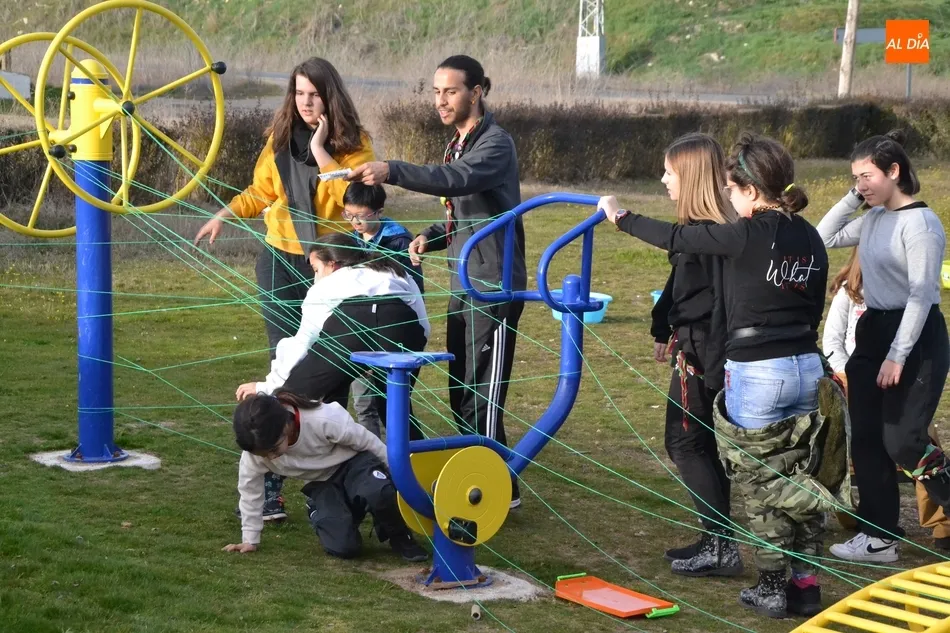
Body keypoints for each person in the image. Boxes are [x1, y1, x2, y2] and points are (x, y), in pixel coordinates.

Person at [600, 132, 841, 619]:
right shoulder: (809, 234)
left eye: (732, 190)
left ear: (752, 190)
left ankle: (772, 585)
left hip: (761, 370)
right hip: (806, 365)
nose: (729, 198)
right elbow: (815, 303)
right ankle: (805, 585)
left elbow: (675, 236)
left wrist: (619, 216)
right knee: (801, 475)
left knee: (760, 481)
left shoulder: (744, 233)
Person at [194, 57, 374, 521]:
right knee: (285, 364)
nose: (306, 102)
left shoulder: (355, 146)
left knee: (328, 369)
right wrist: (225, 215)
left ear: (331, 97)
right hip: (279, 261)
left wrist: (319, 149)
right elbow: (260, 193)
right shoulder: (276, 141)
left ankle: (336, 471)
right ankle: (271, 478)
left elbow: (349, 203)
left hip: (331, 266)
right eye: (299, 94)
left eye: (315, 94)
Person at [346, 55, 526, 508]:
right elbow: (464, 213)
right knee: (461, 392)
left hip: (494, 286)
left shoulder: (494, 144)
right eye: (435, 92)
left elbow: (459, 181)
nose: (440, 101)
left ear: (477, 91)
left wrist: (396, 170)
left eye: (450, 91)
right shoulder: (456, 144)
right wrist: (432, 235)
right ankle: (483, 478)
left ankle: (500, 490)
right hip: (465, 282)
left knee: (483, 395)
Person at [818, 130, 950, 564]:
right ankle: (880, 535)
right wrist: (854, 197)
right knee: (867, 439)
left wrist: (898, 355)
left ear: (895, 171)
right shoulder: (873, 218)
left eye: (868, 176)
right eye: (855, 177)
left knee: (904, 441)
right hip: (873, 330)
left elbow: (920, 295)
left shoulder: (922, 224)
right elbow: (823, 236)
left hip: (915, 336)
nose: (861, 184)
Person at [646, 133, 739, 577]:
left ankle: (720, 544)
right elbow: (678, 287)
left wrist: (704, 359)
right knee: (697, 443)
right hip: (693, 346)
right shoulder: (697, 238)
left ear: (692, 177)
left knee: (686, 442)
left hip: (703, 355)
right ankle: (716, 540)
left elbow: (715, 305)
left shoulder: (711, 238)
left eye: (670, 172)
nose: (664, 179)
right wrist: (662, 325)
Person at [236, 233, 430, 444]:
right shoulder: (394, 269)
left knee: (293, 395)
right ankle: (424, 466)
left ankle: (277, 458)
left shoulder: (325, 287)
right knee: (394, 408)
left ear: (334, 264)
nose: (315, 278)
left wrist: (267, 386)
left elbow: (302, 345)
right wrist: (414, 351)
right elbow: (422, 320)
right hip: (404, 327)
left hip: (355, 321)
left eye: (316, 270)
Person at [823, 248, 950, 550]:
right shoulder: (849, 293)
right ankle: (869, 523)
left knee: (913, 441)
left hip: (902, 376)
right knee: (859, 444)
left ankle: (941, 523)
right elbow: (832, 341)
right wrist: (846, 377)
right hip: (859, 378)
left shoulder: (906, 292)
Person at [223, 389, 428, 562]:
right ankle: (320, 510)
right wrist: (250, 539)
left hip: (354, 464)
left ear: (286, 426)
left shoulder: (323, 419)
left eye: (274, 450)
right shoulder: (256, 453)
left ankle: (400, 537)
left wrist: (403, 479)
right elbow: (249, 492)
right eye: (264, 454)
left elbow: (371, 443)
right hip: (321, 483)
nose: (270, 457)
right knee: (344, 548)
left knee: (379, 492)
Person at [343, 182, 424, 438]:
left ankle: (416, 462)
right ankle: (375, 467)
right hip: (360, 332)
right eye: (349, 214)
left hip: (392, 334)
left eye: (361, 216)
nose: (355, 221)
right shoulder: (351, 241)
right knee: (363, 404)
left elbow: (411, 290)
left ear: (379, 211)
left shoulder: (399, 242)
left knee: (393, 407)